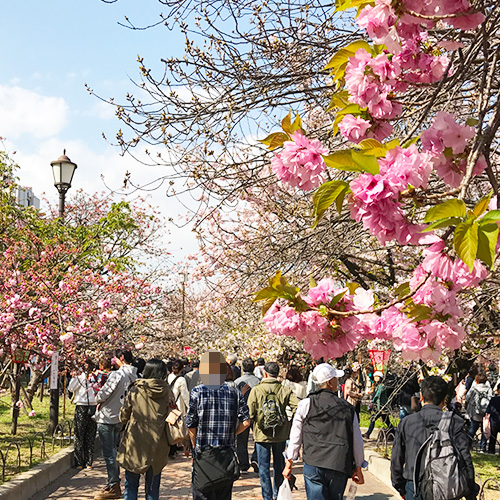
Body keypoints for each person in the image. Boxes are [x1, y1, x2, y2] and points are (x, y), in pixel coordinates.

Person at [283, 364, 366, 500]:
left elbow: (295, 435)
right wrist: (358, 466)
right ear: (330, 382)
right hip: (339, 463)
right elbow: (356, 440)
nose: (338, 381)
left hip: (313, 462)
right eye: (335, 378)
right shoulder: (347, 408)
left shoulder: (306, 404)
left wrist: (289, 462)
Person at [391, 376, 478, 500]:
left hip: (414, 487)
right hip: (446, 488)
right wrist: (470, 491)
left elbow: (396, 460)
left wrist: (400, 487)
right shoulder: (455, 422)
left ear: (421, 397)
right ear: (444, 400)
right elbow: (465, 459)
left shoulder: (407, 423)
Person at [186, 350, 251, 500]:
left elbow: (191, 424)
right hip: (226, 454)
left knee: (202, 493)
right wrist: (232, 434)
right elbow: (246, 422)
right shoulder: (234, 391)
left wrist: (195, 445)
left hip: (204, 453)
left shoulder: (197, 392)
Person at [117, 358, 175, 500]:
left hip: (136, 441)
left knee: (131, 485)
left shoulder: (136, 389)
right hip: (158, 442)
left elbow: (124, 417)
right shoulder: (167, 391)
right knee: (152, 488)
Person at [247, 361, 299, 500]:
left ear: (265, 373)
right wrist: (288, 421)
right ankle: (278, 493)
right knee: (279, 465)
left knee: (263, 468)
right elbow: (298, 407)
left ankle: (267, 496)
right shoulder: (285, 390)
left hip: (261, 434)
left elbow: (250, 414)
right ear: (277, 374)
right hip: (280, 434)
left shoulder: (256, 390)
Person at [94, 349, 138, 500]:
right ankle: (114, 482)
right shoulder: (135, 375)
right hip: (120, 416)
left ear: (122, 358)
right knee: (114, 450)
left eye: (115, 359)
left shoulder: (118, 374)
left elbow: (103, 395)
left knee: (109, 452)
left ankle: (113, 483)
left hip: (108, 417)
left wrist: (97, 395)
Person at [68, 358, 97, 469]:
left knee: (79, 433)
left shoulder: (80, 378)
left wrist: (76, 377)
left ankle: (79, 462)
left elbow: (71, 388)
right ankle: (89, 461)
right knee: (91, 433)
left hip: (81, 406)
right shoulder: (96, 377)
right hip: (94, 406)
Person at [234, 358, 260, 473]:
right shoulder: (259, 381)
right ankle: (256, 459)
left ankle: (243, 463)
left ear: (242, 368)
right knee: (258, 438)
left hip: (242, 414)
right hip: (257, 413)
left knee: (241, 440)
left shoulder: (237, 382)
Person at [465, 372, 493, 452]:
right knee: (484, 430)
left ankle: (468, 445)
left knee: (472, 429)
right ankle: (482, 447)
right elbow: (491, 399)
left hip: (474, 412)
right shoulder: (488, 389)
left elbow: (467, 398)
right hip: (485, 413)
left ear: (476, 380)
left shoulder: (474, 388)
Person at [362, 370, 394, 439]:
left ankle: (394, 433)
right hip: (378, 407)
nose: (376, 378)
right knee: (374, 419)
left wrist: (372, 402)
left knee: (385, 421)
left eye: (378, 377)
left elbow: (377, 395)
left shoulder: (382, 386)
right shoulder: (377, 386)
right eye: (375, 377)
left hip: (382, 407)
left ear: (381, 378)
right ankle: (368, 434)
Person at [485, 383, 500, 454]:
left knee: (493, 438)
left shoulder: (494, 399)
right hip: (495, 420)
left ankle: (491, 451)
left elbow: (488, 410)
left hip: (494, 421)